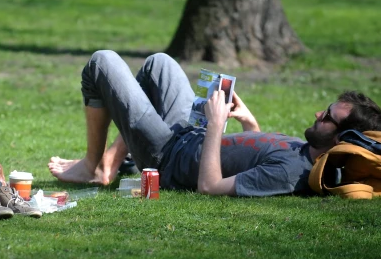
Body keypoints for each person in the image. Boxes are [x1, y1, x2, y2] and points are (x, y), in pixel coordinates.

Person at [48, 50, 381, 196]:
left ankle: (93, 164)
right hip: (189, 135)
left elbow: (210, 186)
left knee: (102, 63)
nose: (317, 115)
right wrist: (250, 123)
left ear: (343, 139)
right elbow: (252, 155)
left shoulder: (292, 174)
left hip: (169, 158)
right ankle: (109, 163)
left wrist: (218, 125)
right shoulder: (307, 149)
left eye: (327, 118)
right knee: (159, 64)